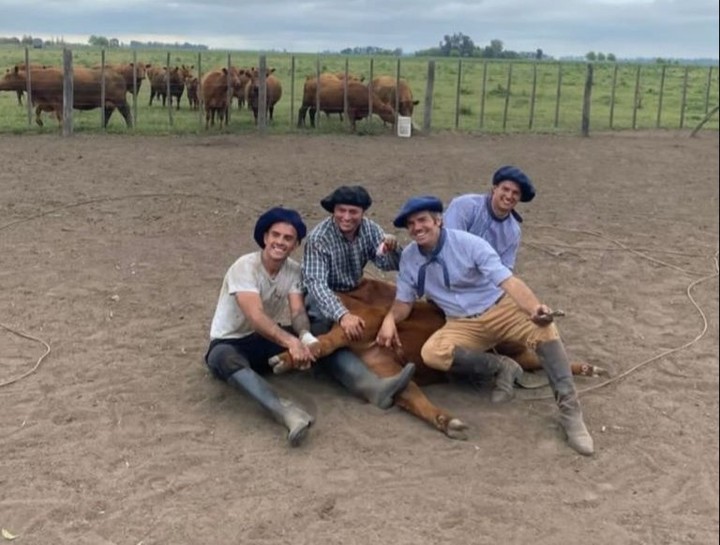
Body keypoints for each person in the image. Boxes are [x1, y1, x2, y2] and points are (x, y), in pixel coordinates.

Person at [376, 195, 594, 455]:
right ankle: (500, 365)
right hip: (461, 322)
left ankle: (570, 412)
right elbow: (404, 303)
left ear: (438, 220)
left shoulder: (469, 244)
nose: (417, 228)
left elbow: (508, 282)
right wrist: (389, 319)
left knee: (544, 329)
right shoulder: (410, 257)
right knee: (433, 352)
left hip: (500, 308)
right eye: (410, 224)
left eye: (422, 220)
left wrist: (534, 309)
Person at [204, 207, 317, 447]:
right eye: (275, 235)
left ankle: (368, 385)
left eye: (288, 238)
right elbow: (255, 316)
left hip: (262, 339)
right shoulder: (245, 266)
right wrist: (291, 341)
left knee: (319, 326)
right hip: (231, 341)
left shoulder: (294, 270)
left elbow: (297, 311)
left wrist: (306, 337)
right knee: (221, 357)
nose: (280, 242)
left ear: (296, 244)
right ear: (265, 238)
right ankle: (286, 413)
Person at [302, 184, 416, 409]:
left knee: (399, 296)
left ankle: (400, 339)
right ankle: (345, 367)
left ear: (362, 213)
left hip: (356, 286)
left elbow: (386, 263)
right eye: (341, 210)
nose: (346, 217)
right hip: (325, 291)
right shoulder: (318, 238)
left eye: (353, 212)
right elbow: (316, 284)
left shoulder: (370, 229)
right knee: (326, 327)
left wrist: (392, 248)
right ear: (333, 210)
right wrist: (342, 315)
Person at [443, 165, 535, 271]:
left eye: (515, 193)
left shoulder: (513, 231)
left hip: (481, 281)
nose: (509, 196)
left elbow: (505, 269)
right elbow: (449, 246)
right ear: (494, 189)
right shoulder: (464, 206)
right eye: (505, 189)